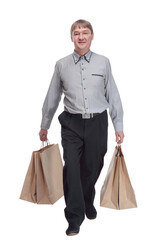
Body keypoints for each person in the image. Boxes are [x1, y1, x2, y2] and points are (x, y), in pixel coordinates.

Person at [39, 19, 124, 236]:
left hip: (98, 122)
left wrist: (118, 125)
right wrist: (44, 125)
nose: (81, 36)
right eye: (76, 33)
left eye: (85, 32)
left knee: (93, 165)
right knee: (72, 169)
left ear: (92, 36)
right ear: (71, 38)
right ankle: (74, 216)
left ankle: (87, 199)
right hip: (71, 123)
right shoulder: (61, 65)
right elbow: (52, 96)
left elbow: (112, 95)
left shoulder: (103, 62)